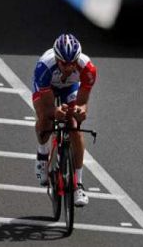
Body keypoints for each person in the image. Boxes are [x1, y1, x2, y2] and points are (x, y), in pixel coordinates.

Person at [32, 33, 97, 207]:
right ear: (57, 59)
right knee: (45, 118)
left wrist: (80, 111)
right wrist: (55, 111)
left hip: (70, 88)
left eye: (72, 63)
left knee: (74, 126)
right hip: (48, 87)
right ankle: (42, 154)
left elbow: (82, 103)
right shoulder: (44, 67)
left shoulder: (88, 69)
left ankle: (78, 185)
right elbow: (47, 106)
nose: (69, 68)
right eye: (64, 63)